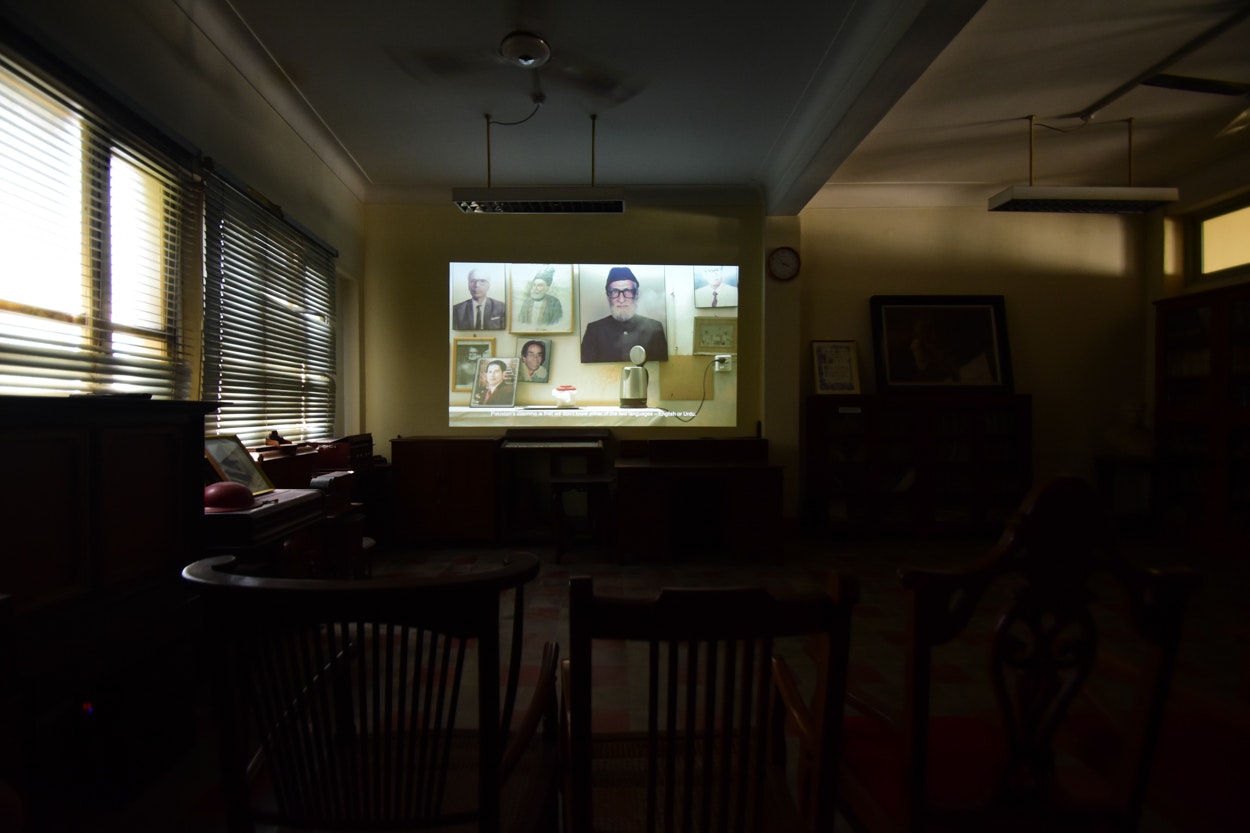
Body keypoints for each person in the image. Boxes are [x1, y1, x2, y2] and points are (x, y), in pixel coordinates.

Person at [580, 267, 669, 363]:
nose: (621, 299)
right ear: (608, 296)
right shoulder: (594, 330)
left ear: (636, 294)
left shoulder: (655, 329)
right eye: (615, 292)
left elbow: (661, 369)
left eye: (628, 291)